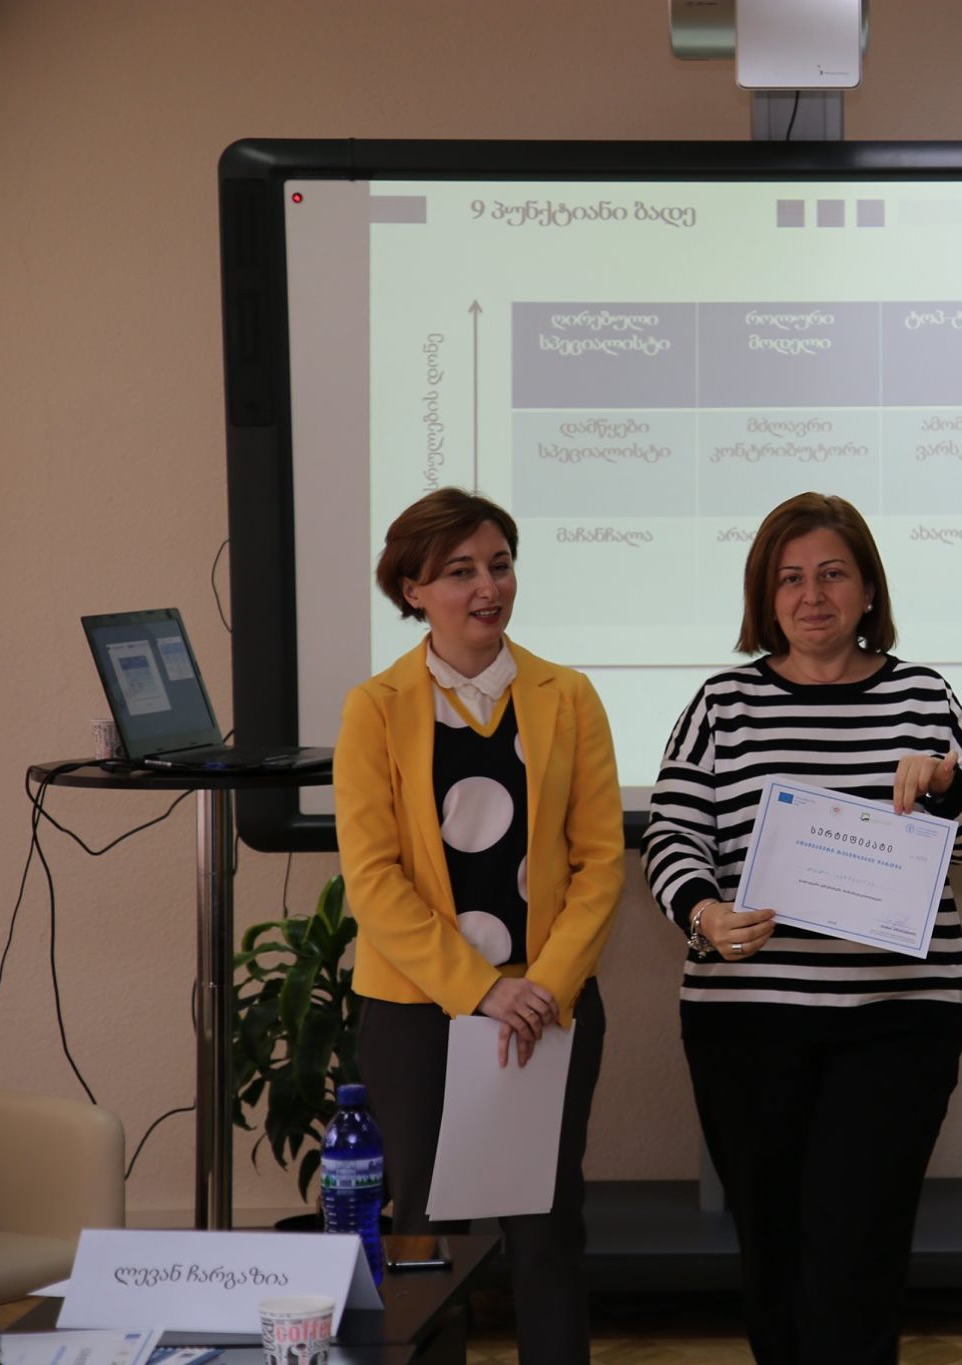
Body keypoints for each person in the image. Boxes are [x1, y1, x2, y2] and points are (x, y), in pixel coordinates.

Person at [643, 491, 962, 1365]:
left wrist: (949, 785)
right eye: (790, 578)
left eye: (833, 574)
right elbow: (672, 834)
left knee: (858, 1248)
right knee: (772, 1249)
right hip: (746, 1025)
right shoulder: (722, 703)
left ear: (868, 589)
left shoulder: (923, 694)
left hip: (898, 1025)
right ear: (765, 597)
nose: (812, 596)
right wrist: (703, 910)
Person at [333, 488, 622, 1365]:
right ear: (413, 590)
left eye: (499, 565)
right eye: (460, 571)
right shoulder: (375, 707)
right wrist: (482, 989)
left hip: (546, 1004)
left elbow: (600, 862)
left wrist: (541, 989)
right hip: (418, 1011)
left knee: (548, 1228)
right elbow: (373, 880)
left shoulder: (568, 697)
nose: (487, 587)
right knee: (426, 1235)